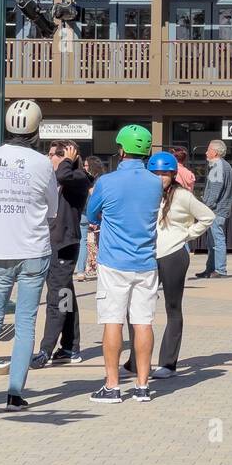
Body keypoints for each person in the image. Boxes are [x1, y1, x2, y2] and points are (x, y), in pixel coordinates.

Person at [0, 99, 59, 412]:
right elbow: (53, 209)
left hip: (0, 248)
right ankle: (14, 394)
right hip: (33, 248)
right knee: (26, 323)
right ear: (36, 129)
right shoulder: (43, 163)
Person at [84, 124, 162, 403]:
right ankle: (142, 386)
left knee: (113, 321)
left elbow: (91, 213)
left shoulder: (107, 182)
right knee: (143, 322)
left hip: (114, 261)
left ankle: (112, 385)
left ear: (121, 149)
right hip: (145, 261)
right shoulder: (155, 182)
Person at [148, 150, 214, 379]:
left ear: (173, 174)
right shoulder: (145, 193)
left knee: (172, 308)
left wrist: (187, 234)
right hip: (147, 255)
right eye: (155, 173)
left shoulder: (183, 196)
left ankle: (168, 363)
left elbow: (207, 216)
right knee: (139, 308)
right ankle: (136, 360)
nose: (159, 177)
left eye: (164, 173)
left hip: (174, 254)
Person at [33, 140, 93, 368]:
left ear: (68, 156)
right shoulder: (56, 178)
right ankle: (70, 346)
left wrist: (68, 160)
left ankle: (45, 350)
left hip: (64, 244)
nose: (48, 159)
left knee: (56, 298)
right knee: (66, 294)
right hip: (51, 243)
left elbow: (64, 176)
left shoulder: (79, 177)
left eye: (52, 155)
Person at [195, 139, 232, 278]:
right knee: (212, 242)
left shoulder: (217, 166)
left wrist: (205, 207)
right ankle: (211, 269)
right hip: (218, 209)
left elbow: (215, 190)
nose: (206, 152)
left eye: (209, 149)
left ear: (215, 152)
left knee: (216, 241)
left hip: (215, 210)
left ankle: (220, 270)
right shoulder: (225, 165)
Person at [81, 156, 106, 280]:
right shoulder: (92, 179)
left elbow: (97, 199)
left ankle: (94, 268)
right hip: (86, 213)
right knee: (88, 242)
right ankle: (84, 269)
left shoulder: (98, 180)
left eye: (86, 166)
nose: (84, 168)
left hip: (96, 215)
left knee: (94, 242)